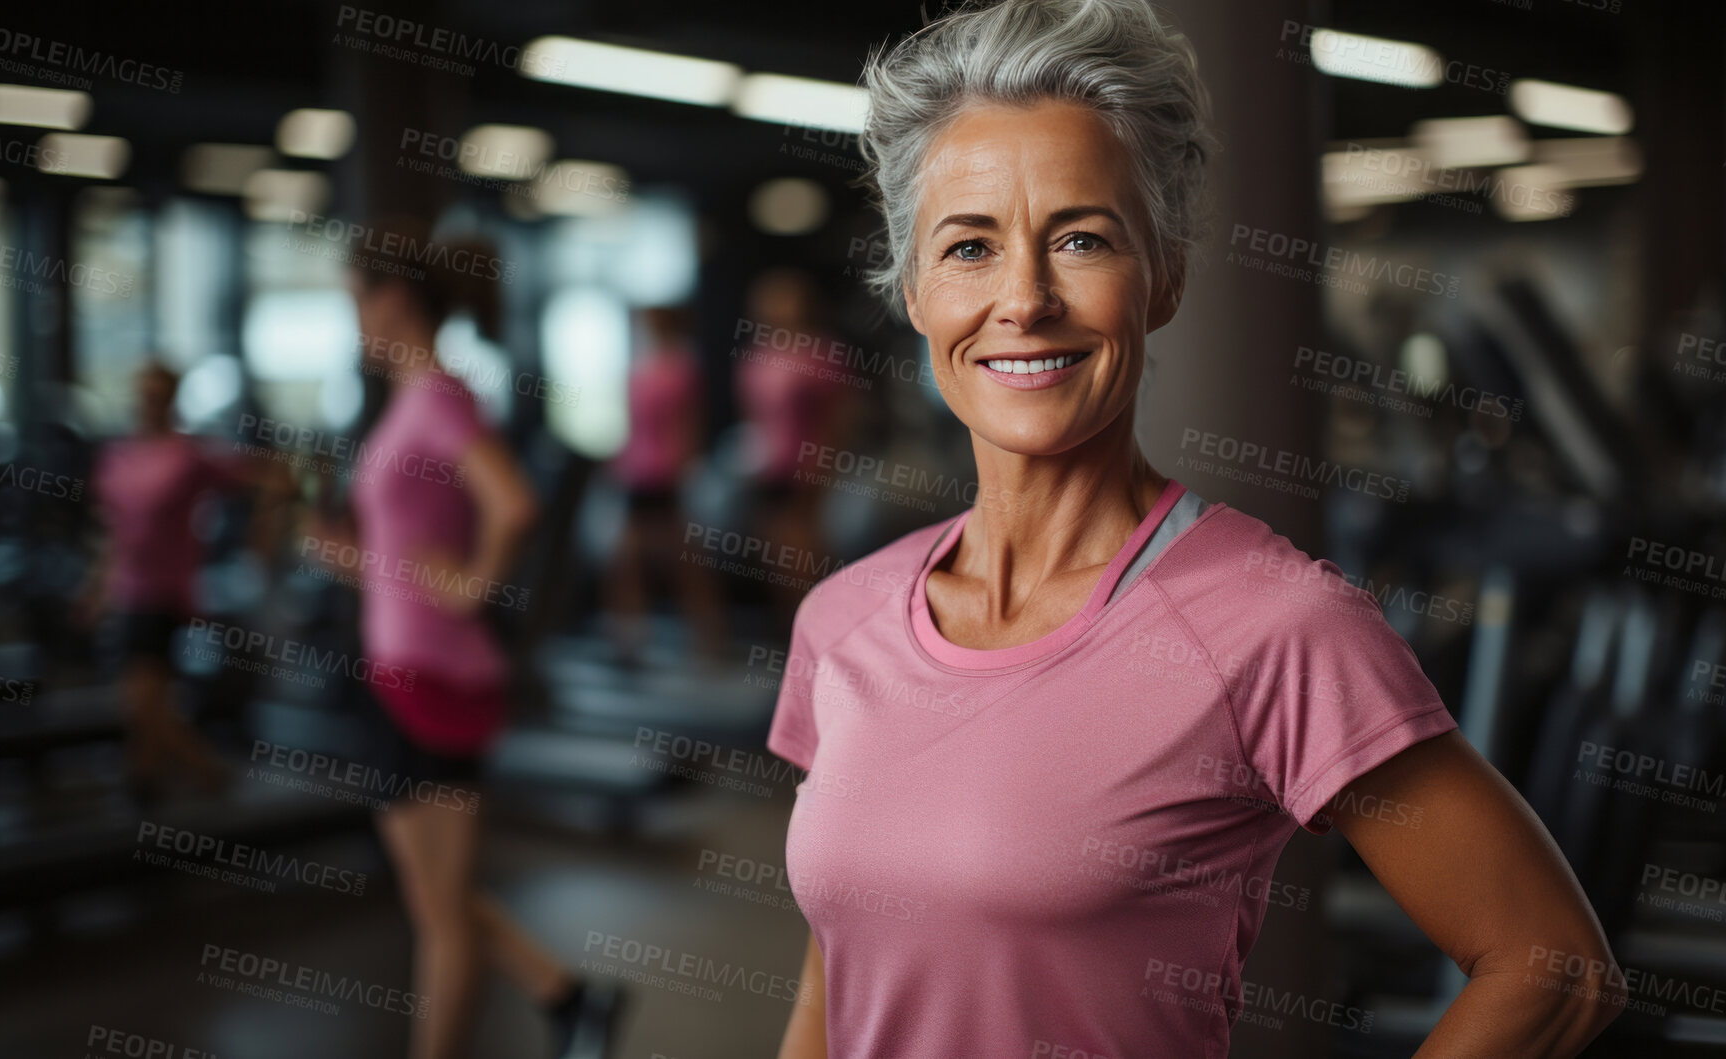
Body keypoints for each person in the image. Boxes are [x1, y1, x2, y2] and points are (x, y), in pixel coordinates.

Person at [768, 2, 1625, 1057]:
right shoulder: (840, 620)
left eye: (1080, 239)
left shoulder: (1272, 624)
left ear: (1162, 274)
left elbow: (1553, 968)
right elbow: (834, 978)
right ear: (913, 289)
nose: (1024, 299)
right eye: (969, 247)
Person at [303, 224, 623, 1059]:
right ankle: (568, 996)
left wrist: (477, 579)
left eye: (356, 303)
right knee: (439, 895)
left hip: (429, 677)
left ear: (396, 300)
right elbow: (413, 553)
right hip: (410, 663)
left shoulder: (436, 397)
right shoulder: (420, 397)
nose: (355, 325)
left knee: (439, 913)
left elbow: (513, 502)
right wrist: (355, 558)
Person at [80, 361, 248, 799]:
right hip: (127, 595)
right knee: (144, 710)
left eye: (158, 394)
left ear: (171, 398)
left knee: (142, 703)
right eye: (144, 393)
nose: (149, 402)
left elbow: (253, 477)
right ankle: (145, 787)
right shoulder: (118, 456)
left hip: (167, 596)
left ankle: (208, 772)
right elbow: (114, 535)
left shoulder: (189, 455)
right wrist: (96, 591)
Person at [603, 304, 727, 665]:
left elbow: (690, 424)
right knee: (627, 562)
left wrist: (685, 466)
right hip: (636, 475)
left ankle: (709, 634)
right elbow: (629, 427)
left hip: (665, 475)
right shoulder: (639, 369)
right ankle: (629, 637)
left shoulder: (680, 369)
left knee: (683, 561)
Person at [733, 269, 849, 622]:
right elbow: (753, 418)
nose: (779, 307)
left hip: (809, 466)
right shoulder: (757, 358)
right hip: (767, 467)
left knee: (806, 551)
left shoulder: (822, 354)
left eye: (786, 299)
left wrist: (826, 464)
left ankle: (822, 627)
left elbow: (841, 418)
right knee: (773, 552)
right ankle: (789, 628)